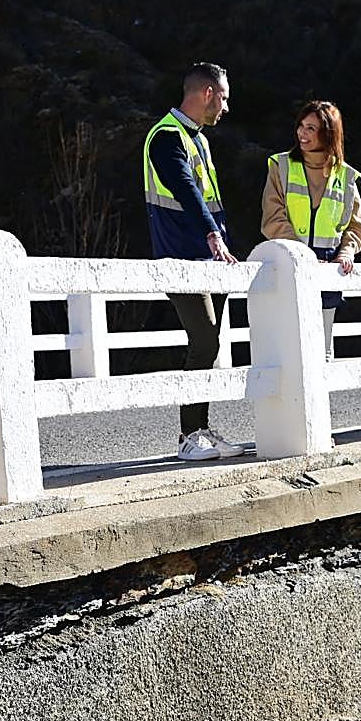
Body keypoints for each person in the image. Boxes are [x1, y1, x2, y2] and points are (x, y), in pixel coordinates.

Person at [143, 61, 246, 462]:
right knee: (204, 338)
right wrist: (212, 234)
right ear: (206, 93)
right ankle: (188, 436)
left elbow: (211, 200)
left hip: (209, 257)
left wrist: (220, 244)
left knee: (210, 343)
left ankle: (200, 429)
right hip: (180, 254)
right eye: (223, 98)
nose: (225, 107)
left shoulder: (198, 139)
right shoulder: (166, 137)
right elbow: (185, 190)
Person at [260, 99, 361, 359]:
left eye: (311, 128)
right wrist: (302, 255)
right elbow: (272, 217)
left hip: (330, 265)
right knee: (290, 347)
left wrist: (347, 252)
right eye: (301, 126)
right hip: (289, 259)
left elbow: (355, 225)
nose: (302, 133)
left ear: (328, 134)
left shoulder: (347, 176)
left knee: (324, 351)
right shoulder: (280, 166)